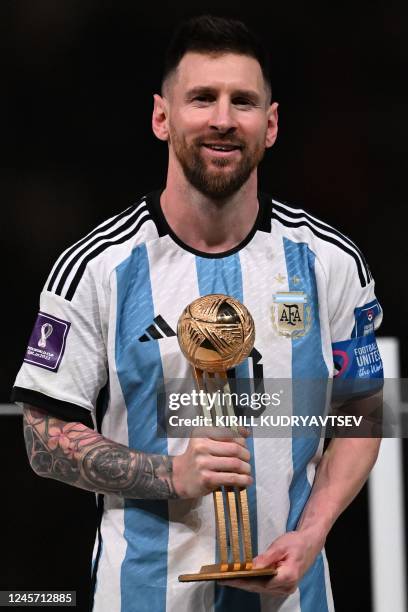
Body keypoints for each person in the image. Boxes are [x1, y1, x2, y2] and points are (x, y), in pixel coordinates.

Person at [12, 14, 383, 612]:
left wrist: (312, 534)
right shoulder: (97, 269)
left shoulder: (329, 263)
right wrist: (169, 476)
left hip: (294, 598)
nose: (222, 118)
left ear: (271, 123)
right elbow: (41, 437)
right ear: (162, 117)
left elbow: (360, 413)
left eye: (243, 101)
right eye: (202, 98)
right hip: (140, 596)